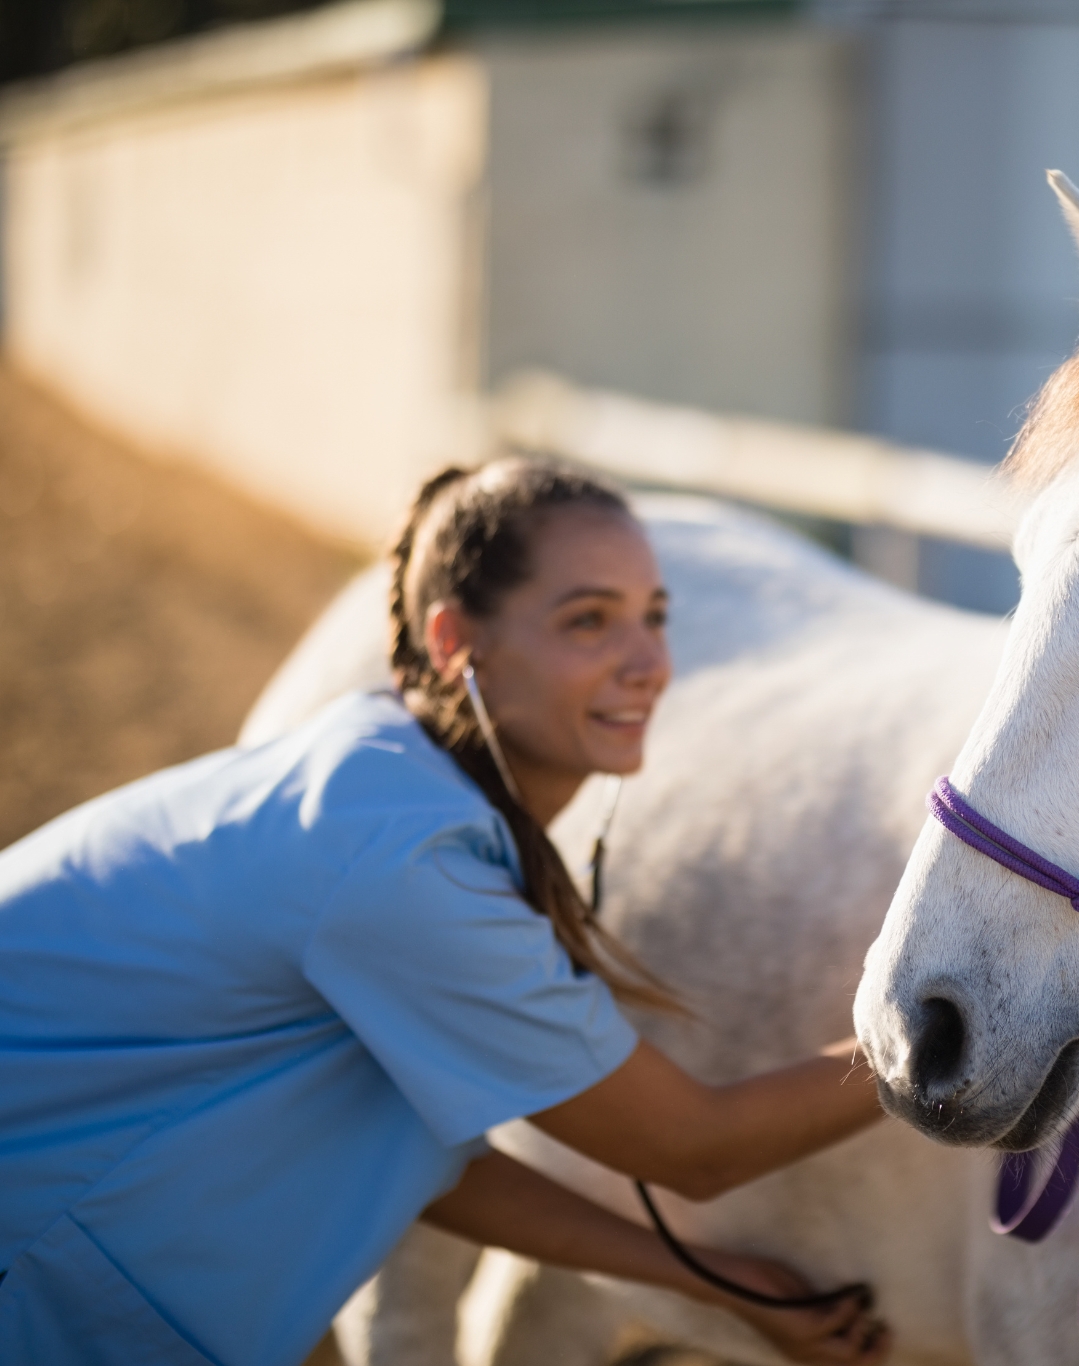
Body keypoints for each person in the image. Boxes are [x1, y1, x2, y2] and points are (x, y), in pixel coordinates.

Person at [0, 459, 893, 1365]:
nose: (649, 664)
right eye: (590, 621)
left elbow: (416, 1163)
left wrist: (700, 1275)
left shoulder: (385, 783)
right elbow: (696, 1146)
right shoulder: (398, 862)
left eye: (654, 617)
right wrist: (934, 1032)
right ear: (455, 641)